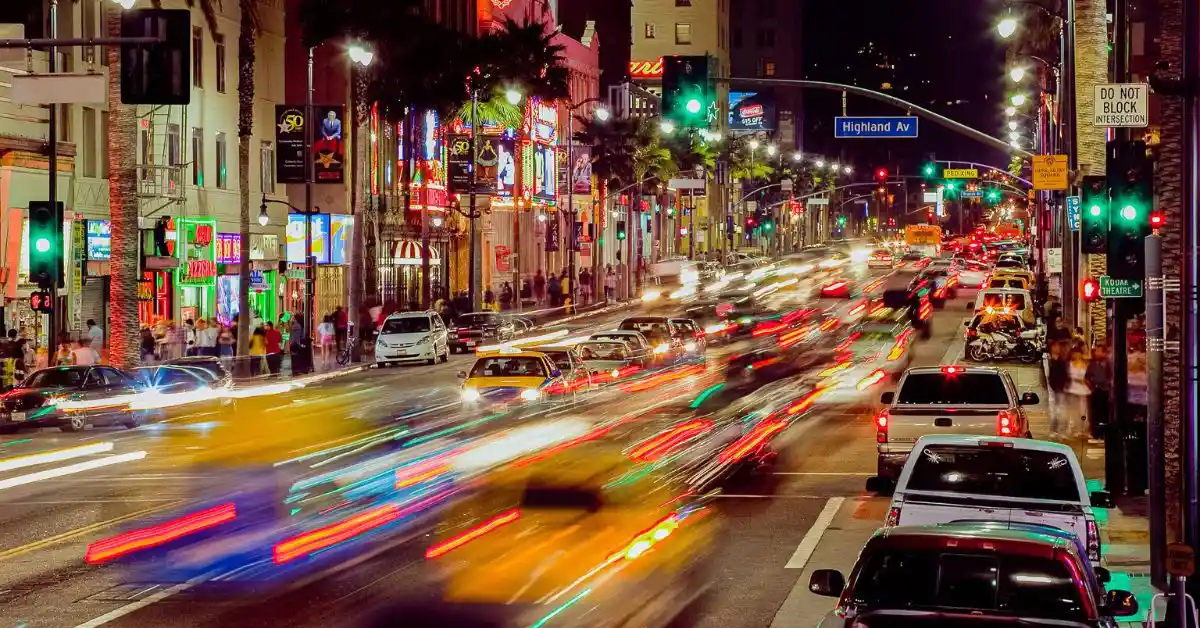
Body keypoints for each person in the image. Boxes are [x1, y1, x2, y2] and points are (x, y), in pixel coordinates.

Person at [1085, 346, 1110, 441]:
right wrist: (1091, 387)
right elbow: (1086, 377)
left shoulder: (1108, 364)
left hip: (1106, 392)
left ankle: (1104, 433)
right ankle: (1095, 433)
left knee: (1104, 414)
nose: (1096, 353)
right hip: (1095, 391)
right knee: (1094, 414)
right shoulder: (1092, 365)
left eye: (1099, 351)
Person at [1065, 349, 1092, 439]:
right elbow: (1071, 376)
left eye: (1078, 354)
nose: (1076, 356)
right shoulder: (1070, 364)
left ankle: (1083, 429)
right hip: (1073, 390)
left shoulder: (1085, 365)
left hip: (1083, 391)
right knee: (1074, 411)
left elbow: (1087, 376)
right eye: (1075, 354)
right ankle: (1074, 429)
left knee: (1083, 411)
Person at [1047, 340, 1070, 438]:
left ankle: (1062, 431)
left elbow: (1065, 375)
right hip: (1053, 389)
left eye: (1058, 347)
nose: (1057, 348)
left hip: (1061, 389)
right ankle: (1054, 430)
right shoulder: (1049, 360)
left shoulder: (1062, 361)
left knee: (1063, 411)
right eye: (1055, 346)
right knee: (1055, 411)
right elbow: (1049, 376)